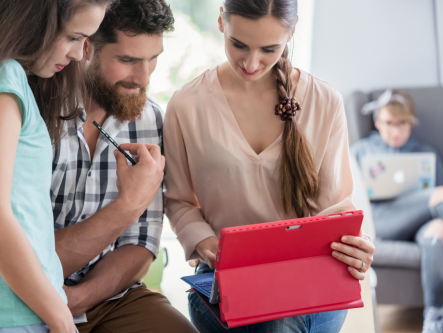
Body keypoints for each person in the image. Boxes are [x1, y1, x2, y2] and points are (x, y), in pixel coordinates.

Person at [163, 0, 376, 332]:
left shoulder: (325, 101)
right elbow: (179, 201)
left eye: (269, 49)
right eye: (239, 45)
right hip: (223, 276)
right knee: (273, 323)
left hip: (311, 273)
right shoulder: (185, 105)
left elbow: (334, 207)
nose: (251, 63)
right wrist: (211, 248)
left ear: (291, 33)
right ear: (221, 21)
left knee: (278, 321)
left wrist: (354, 247)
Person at [0, 0, 110, 332]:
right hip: (11, 316)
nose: (79, 54)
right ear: (35, 20)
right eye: (74, 37)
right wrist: (62, 320)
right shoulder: (1, 78)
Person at [49, 1, 198, 332]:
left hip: (109, 298)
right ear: (85, 47)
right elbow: (24, 257)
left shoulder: (151, 120)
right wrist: (128, 204)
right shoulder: (37, 117)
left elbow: (141, 243)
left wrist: (78, 299)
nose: (143, 77)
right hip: (25, 293)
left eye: (153, 59)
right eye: (128, 60)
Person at [351, 89, 443, 333]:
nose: (396, 131)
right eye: (389, 123)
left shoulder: (427, 154)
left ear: (411, 124)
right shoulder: (361, 151)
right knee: (439, 196)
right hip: (381, 220)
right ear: (377, 122)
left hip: (420, 223)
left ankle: (435, 316)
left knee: (438, 230)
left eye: (402, 123)